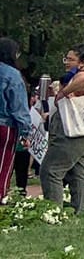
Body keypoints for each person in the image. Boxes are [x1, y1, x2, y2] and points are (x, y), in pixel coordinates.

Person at [40, 46, 84, 213]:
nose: (66, 62)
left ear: (82, 63)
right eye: (66, 59)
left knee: (51, 170)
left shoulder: (82, 75)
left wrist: (63, 92)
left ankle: (53, 211)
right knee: (78, 171)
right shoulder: (76, 76)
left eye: (70, 59)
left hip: (74, 133)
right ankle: (78, 210)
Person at [0, 37, 32, 203]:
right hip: (4, 125)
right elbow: (19, 107)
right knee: (4, 165)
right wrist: (25, 133)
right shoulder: (12, 74)